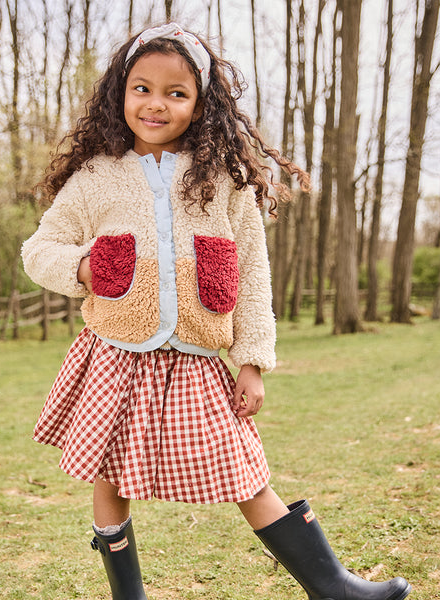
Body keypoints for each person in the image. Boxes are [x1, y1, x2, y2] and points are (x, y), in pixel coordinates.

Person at [22, 22, 411, 600]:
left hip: (197, 357)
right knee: (108, 475)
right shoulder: (93, 178)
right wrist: (82, 268)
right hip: (113, 356)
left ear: (202, 103)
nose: (156, 104)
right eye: (142, 88)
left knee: (244, 470)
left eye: (176, 93)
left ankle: (332, 586)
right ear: (119, 93)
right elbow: (39, 251)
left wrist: (251, 360)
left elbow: (253, 276)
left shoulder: (224, 181)